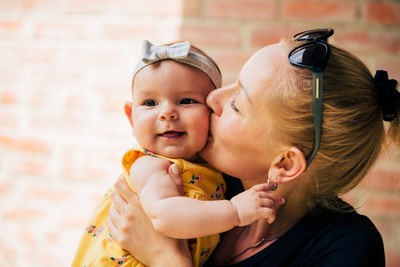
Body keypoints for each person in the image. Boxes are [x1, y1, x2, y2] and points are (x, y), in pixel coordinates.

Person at [107, 29, 398, 266]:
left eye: (236, 104)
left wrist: (166, 259)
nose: (212, 98)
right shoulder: (206, 183)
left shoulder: (346, 249)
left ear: (283, 163)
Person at [72, 40, 283, 267]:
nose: (167, 113)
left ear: (211, 111)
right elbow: (164, 215)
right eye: (150, 102)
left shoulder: (212, 169)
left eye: (186, 101)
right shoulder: (151, 166)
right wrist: (235, 211)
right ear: (131, 118)